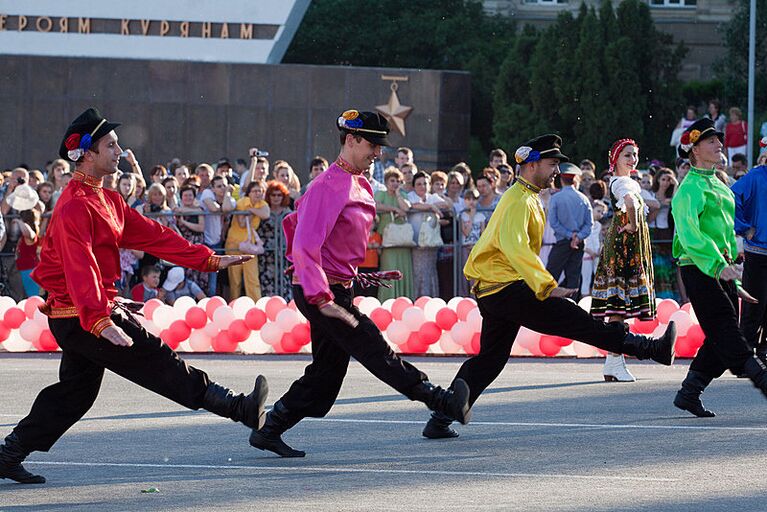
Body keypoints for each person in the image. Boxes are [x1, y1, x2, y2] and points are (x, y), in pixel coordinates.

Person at [0, 108, 268, 485]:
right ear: (88, 153)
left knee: (74, 394)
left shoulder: (106, 199)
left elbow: (154, 235)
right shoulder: (74, 203)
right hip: (82, 314)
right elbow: (81, 265)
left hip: (82, 314)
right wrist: (99, 320)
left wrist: (207, 258)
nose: (120, 150)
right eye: (111, 145)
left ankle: (8, 454)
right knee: (159, 361)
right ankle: (239, 407)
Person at [421, 134, 676, 440]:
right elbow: (516, 249)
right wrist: (546, 285)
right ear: (531, 165)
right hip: (507, 287)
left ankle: (441, 416)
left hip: (497, 288)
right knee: (580, 323)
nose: (557, 170)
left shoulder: (525, 196)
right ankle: (650, 348)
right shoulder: (519, 200)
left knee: (492, 357)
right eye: (552, 163)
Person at [249, 110, 471, 458]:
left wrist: (362, 275)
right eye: (372, 144)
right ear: (351, 140)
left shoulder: (360, 183)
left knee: (325, 377)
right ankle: (440, 400)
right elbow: (304, 244)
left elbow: (334, 244)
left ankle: (270, 428)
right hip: (320, 290)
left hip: (334, 287)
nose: (377, 153)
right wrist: (323, 298)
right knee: (374, 349)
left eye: (380, 147)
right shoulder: (327, 185)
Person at [670, 118, 766, 418]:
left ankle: (690, 391)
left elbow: (725, 232)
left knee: (719, 335)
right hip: (698, 267)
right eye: (711, 141)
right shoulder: (689, 189)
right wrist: (717, 266)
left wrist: (734, 280)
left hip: (720, 268)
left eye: (718, 140)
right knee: (726, 328)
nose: (719, 145)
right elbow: (690, 235)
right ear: (695, 150)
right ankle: (762, 380)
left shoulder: (718, 182)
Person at [590, 139, 657, 382]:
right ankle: (615, 360)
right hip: (624, 247)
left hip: (626, 246)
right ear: (616, 158)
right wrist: (633, 223)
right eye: (627, 155)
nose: (632, 159)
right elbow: (629, 202)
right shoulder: (622, 182)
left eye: (635, 155)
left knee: (618, 305)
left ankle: (613, 360)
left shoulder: (626, 182)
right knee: (618, 305)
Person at [731, 157, 767, 359]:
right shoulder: (755, 176)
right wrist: (743, 227)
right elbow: (731, 197)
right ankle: (745, 355)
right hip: (758, 252)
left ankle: (763, 350)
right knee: (755, 303)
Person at [545, 163, 592, 293]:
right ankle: (572, 304)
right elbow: (589, 225)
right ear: (575, 179)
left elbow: (553, 222)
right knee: (573, 277)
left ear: (561, 179)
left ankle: (546, 304)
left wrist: (570, 235)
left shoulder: (556, 198)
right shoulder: (584, 199)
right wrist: (578, 237)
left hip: (562, 242)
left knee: (550, 275)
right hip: (579, 243)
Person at [375, 168, 415, 301]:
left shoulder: (402, 195)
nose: (395, 183)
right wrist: (393, 209)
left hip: (403, 243)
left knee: (403, 272)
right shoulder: (381, 194)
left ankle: (404, 301)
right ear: (386, 182)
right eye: (392, 180)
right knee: (389, 270)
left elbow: (406, 208)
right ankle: (387, 301)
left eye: (398, 181)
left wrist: (398, 194)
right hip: (388, 242)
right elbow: (375, 206)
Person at [225, 180, 269, 300]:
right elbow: (242, 223)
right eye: (254, 191)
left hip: (250, 247)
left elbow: (266, 214)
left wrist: (251, 211)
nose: (257, 194)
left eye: (260, 191)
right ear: (249, 193)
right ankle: (234, 304)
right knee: (235, 280)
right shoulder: (242, 202)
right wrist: (251, 212)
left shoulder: (262, 204)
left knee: (252, 278)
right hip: (235, 244)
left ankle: (256, 305)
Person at [407, 171, 448, 298]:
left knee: (430, 272)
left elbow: (446, 205)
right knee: (418, 273)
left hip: (431, 243)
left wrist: (430, 205)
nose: (422, 186)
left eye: (425, 183)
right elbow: (411, 206)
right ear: (414, 186)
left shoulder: (432, 197)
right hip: (416, 243)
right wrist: (432, 208)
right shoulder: (411, 196)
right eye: (418, 184)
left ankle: (431, 298)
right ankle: (418, 299)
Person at [257, 180, 292, 300]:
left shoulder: (288, 213)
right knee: (266, 283)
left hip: (283, 253)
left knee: (284, 282)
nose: (276, 198)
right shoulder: (264, 211)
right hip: (267, 254)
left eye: (279, 195)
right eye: (273, 195)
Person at [6, 186, 42, 298]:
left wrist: (19, 221)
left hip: (30, 270)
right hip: (25, 269)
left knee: (33, 297)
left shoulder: (30, 235)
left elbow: (29, 234)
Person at [174, 185, 208, 292]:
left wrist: (184, 222)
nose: (188, 197)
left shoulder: (199, 210)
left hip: (197, 244)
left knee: (198, 272)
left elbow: (201, 227)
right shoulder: (177, 210)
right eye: (185, 195)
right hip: (183, 245)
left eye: (190, 195)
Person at [581, 199, 607, 297]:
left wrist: (600, 250)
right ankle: (584, 300)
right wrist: (589, 251)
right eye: (598, 211)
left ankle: (597, 299)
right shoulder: (584, 223)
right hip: (586, 254)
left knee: (598, 278)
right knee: (586, 279)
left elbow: (600, 240)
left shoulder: (599, 225)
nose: (600, 214)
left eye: (602, 212)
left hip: (597, 255)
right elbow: (582, 241)